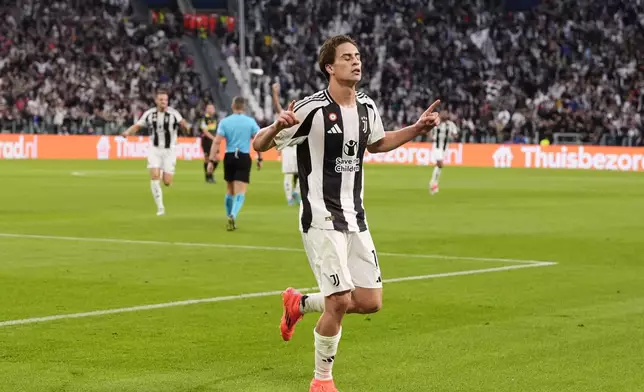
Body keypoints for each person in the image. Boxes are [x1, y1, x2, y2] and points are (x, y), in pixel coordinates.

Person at [252, 35, 441, 392]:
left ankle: (300, 303)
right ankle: (322, 381)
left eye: (358, 56)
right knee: (339, 301)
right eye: (347, 58)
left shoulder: (368, 106)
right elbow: (259, 145)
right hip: (321, 218)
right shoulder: (310, 109)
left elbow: (379, 143)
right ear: (329, 67)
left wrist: (417, 129)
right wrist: (277, 126)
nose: (356, 62)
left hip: (355, 217)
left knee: (369, 302)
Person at [122, 89, 191, 216]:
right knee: (154, 176)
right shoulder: (149, 114)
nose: (163, 102)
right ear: (156, 101)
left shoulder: (173, 113)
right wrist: (127, 132)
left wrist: (186, 126)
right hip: (154, 149)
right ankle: (160, 208)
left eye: (165, 100)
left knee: (167, 182)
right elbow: (137, 126)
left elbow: (183, 123)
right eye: (161, 100)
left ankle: (166, 180)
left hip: (170, 150)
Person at [208, 96, 262, 231]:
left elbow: (217, 141)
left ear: (233, 106)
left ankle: (228, 216)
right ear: (244, 107)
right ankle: (233, 214)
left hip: (229, 156)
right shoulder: (250, 122)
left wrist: (211, 160)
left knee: (229, 190)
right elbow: (258, 140)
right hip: (243, 156)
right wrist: (260, 158)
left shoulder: (225, 122)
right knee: (241, 191)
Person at [271, 82, 301, 205]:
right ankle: (289, 197)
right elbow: (277, 106)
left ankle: (296, 192)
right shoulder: (284, 115)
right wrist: (274, 93)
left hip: (298, 147)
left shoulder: (301, 116)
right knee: (289, 173)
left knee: (301, 173)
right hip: (288, 148)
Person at [429, 111, 459, 195]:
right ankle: (433, 183)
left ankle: (434, 182)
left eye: (446, 114)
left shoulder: (451, 124)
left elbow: (455, 134)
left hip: (445, 148)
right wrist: (431, 137)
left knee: (439, 166)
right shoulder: (436, 123)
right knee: (440, 164)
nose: (444, 116)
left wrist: (454, 136)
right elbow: (429, 130)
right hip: (436, 147)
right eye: (443, 114)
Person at [200, 103, 219, 183]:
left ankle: (210, 174)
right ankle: (208, 177)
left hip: (214, 141)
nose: (211, 110)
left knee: (217, 158)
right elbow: (205, 131)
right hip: (206, 141)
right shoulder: (204, 119)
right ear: (206, 109)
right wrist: (213, 138)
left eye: (212, 108)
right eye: (209, 108)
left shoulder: (215, 118)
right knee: (208, 159)